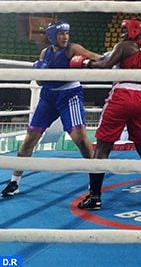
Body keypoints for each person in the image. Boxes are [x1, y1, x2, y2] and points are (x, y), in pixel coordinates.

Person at [70, 17, 141, 209]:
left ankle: (95, 196)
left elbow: (105, 66)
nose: (121, 33)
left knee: (102, 148)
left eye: (124, 30)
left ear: (133, 31)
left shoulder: (123, 46)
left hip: (122, 95)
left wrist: (85, 63)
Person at [1, 21, 101, 197]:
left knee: (82, 141)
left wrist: (111, 58)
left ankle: (94, 185)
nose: (65, 37)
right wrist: (40, 71)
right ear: (52, 36)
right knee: (29, 140)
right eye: (61, 34)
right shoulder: (44, 53)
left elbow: (95, 57)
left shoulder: (73, 49)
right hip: (48, 97)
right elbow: (40, 81)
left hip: (69, 94)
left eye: (67, 33)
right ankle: (14, 182)